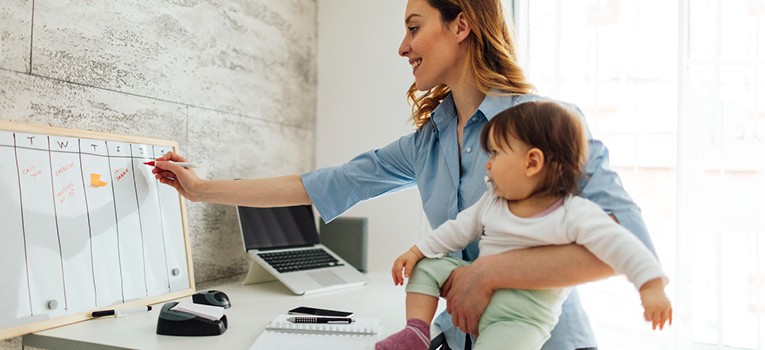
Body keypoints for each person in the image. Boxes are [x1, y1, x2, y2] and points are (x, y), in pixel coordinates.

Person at [151, 0, 659, 349]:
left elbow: (620, 246)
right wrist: (199, 191)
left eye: (414, 27)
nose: (402, 46)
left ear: (461, 25)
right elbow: (324, 183)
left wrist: (487, 273)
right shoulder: (428, 141)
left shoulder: (549, 125)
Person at [375, 101, 671, 350]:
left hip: (520, 319)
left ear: (532, 163)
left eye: (495, 153)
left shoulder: (573, 213)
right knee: (427, 266)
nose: (487, 164)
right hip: (477, 292)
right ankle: (415, 331)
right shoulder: (494, 201)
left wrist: (651, 287)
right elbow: (457, 229)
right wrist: (417, 251)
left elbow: (624, 246)